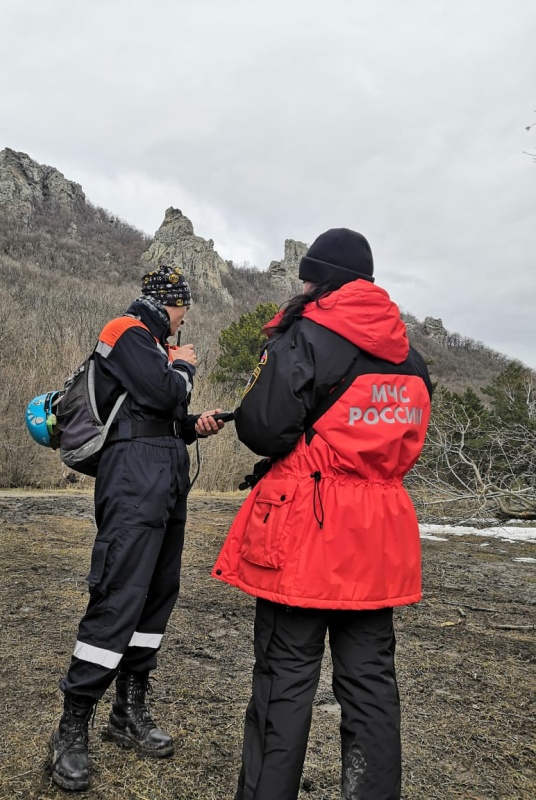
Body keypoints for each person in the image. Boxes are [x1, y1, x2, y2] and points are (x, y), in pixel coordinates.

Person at [212, 229, 433, 800]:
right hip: (379, 538)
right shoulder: (411, 356)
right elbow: (408, 444)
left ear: (319, 278)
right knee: (371, 685)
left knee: (284, 681)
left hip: (305, 536)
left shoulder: (304, 336)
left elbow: (262, 429)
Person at [50, 264, 224, 792]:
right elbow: (166, 391)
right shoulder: (125, 331)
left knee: (155, 597)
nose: (184, 320)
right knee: (119, 595)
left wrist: (193, 425)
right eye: (183, 309)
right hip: (132, 478)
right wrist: (185, 368)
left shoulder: (150, 343)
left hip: (166, 472)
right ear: (168, 304)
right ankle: (71, 727)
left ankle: (128, 711)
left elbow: (161, 410)